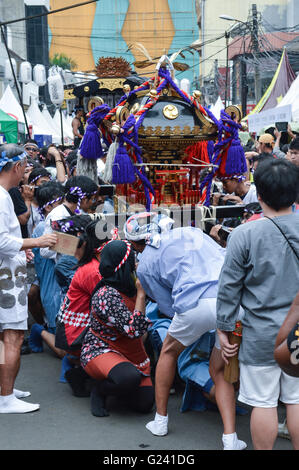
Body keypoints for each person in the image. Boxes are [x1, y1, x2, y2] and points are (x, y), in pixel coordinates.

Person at [123, 212, 246, 449]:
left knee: (169, 353)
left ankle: (160, 421)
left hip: (195, 305)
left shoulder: (145, 264)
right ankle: (230, 438)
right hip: (233, 302)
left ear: (136, 243)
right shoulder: (189, 232)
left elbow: (168, 307)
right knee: (219, 369)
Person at [216, 158, 299, 450]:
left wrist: (223, 329)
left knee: (262, 402)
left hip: (261, 333)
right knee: (297, 398)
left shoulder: (244, 234)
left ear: (258, 194)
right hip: (298, 333)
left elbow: (228, 289)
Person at [0, 144, 57, 413]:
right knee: (13, 336)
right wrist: (35, 241)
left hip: (8, 270)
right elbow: (2, 242)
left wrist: (25, 246)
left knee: (6, 337)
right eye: (24, 166)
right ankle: (6, 397)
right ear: (17, 167)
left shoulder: (4, 195)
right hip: (7, 276)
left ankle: (5, 389)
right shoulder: (2, 197)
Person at [80, 240, 154, 417]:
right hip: (102, 349)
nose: (135, 264)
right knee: (128, 379)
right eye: (132, 261)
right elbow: (134, 331)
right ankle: (99, 390)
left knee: (145, 404)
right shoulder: (107, 294)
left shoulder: (130, 284)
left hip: (131, 350)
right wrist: (142, 295)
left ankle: (119, 384)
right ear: (124, 265)